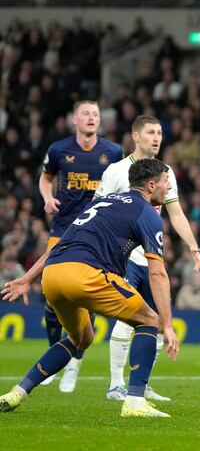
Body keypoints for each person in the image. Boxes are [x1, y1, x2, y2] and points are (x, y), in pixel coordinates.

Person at [1, 158, 180, 418]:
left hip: (52, 276)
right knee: (149, 320)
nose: (169, 188)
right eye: (167, 182)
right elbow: (158, 273)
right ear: (151, 185)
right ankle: (135, 401)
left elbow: (59, 244)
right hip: (86, 274)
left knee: (81, 338)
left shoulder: (102, 202)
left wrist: (27, 278)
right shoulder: (146, 214)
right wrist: (168, 324)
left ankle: (18, 392)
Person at [93, 115, 200, 402]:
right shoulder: (116, 171)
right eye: (151, 132)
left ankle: (141, 383)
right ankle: (115, 384)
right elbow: (98, 211)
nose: (157, 137)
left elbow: (175, 212)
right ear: (135, 136)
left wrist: (192, 245)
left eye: (160, 133)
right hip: (124, 257)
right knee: (126, 317)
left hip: (152, 257)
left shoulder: (166, 172)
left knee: (155, 321)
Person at [37, 100, 123, 392]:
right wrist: (47, 198)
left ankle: (74, 362)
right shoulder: (59, 150)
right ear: (74, 119)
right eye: (86, 113)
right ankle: (55, 359)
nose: (91, 118)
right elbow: (45, 178)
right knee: (51, 295)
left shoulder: (112, 152)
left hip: (97, 232)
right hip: (62, 229)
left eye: (96, 114)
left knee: (87, 296)